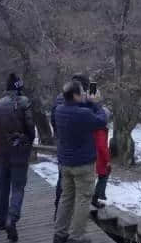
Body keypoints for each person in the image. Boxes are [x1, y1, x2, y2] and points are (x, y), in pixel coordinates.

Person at [0, 73, 35, 242]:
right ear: (19, 87)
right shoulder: (24, 102)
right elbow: (31, 129)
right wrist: (28, 141)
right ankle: (12, 218)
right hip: (19, 151)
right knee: (18, 187)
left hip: (1, 153)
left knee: (2, 187)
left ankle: (1, 219)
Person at [54, 80, 108, 243]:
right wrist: (96, 104)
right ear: (76, 95)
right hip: (83, 165)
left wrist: (88, 103)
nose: (85, 94)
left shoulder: (59, 110)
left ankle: (60, 233)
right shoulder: (83, 114)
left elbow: (83, 115)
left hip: (65, 164)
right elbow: (101, 120)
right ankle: (77, 237)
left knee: (66, 198)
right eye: (82, 92)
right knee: (83, 199)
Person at [92, 106, 112, 209]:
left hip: (94, 155)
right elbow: (102, 146)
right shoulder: (101, 129)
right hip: (99, 157)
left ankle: (97, 196)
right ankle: (95, 198)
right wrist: (107, 160)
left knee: (101, 176)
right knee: (103, 175)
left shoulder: (95, 125)